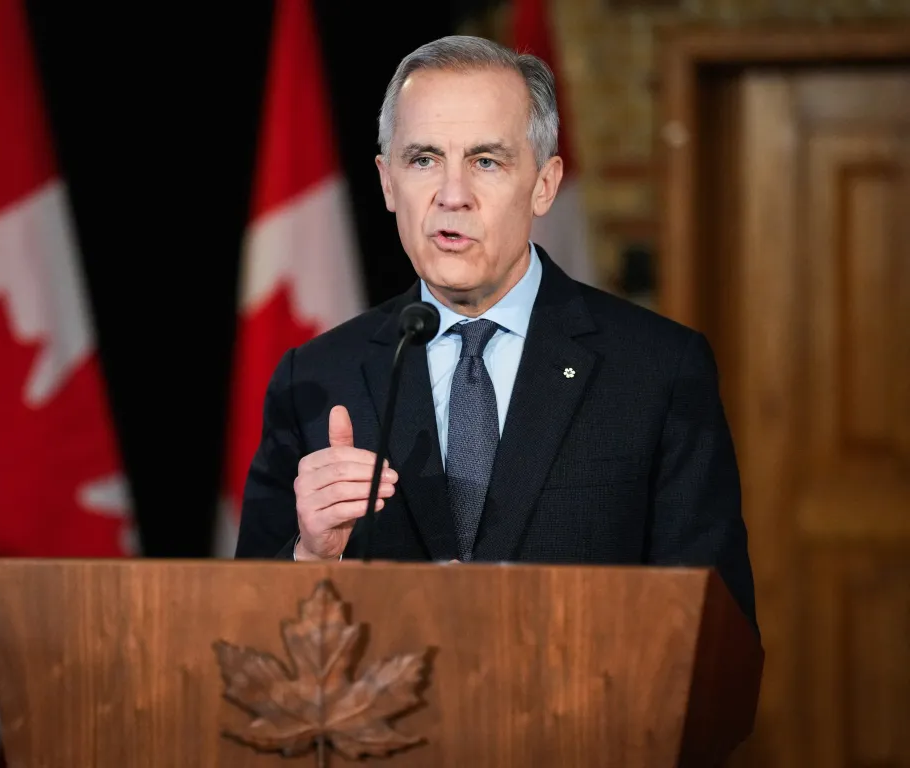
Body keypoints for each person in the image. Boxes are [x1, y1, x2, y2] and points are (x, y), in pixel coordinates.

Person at [234, 35, 757, 630]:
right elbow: (248, 637)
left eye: (486, 161)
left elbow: (719, 634)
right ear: (386, 182)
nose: (452, 196)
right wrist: (310, 556)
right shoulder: (317, 377)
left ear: (544, 184)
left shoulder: (657, 371)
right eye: (424, 159)